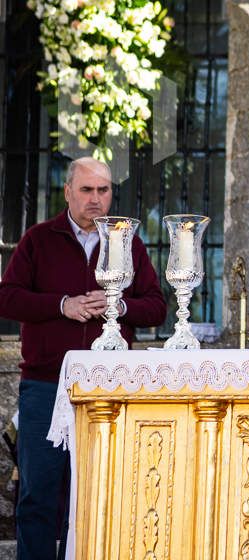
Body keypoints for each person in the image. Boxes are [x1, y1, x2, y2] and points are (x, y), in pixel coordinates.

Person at [0, 157, 167, 559]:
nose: (96, 199)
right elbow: (7, 297)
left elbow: (157, 307)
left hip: (110, 388)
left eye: (103, 190)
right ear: (69, 192)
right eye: (87, 190)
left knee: (98, 496)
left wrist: (119, 307)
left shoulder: (128, 241)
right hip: (45, 385)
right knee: (38, 496)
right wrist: (63, 305)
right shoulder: (39, 239)